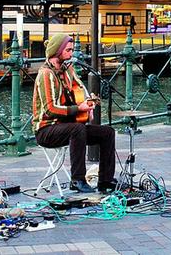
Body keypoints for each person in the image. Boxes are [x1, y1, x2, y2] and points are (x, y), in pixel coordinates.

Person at [33, 34, 116, 193]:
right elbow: (50, 110)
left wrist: (89, 104)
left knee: (107, 132)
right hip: (46, 129)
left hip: (65, 126)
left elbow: (80, 91)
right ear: (57, 51)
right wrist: (79, 109)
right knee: (77, 129)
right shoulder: (46, 74)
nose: (72, 54)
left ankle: (105, 181)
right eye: (68, 50)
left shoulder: (68, 69)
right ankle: (77, 180)